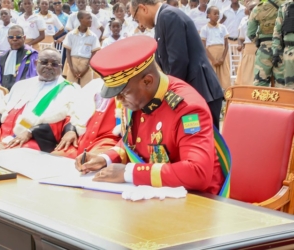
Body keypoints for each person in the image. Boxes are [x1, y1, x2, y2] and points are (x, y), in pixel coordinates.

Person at [75, 36, 224, 194]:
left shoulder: (187, 109)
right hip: (154, 196)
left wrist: (129, 173)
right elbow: (133, 144)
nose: (118, 99)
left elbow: (197, 173)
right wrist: (106, 158)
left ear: (147, 81)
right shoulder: (138, 98)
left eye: (122, 93)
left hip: (197, 200)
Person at [130, 0, 223, 129]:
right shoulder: (162, 19)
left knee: (202, 141)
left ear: (143, 8)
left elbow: (178, 61)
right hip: (191, 91)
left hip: (199, 90)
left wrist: (168, 93)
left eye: (136, 18)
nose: (140, 24)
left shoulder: (168, 16)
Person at [0, 48, 77, 153]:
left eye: (54, 64)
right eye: (44, 62)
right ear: (35, 63)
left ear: (60, 67)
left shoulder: (67, 89)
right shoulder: (22, 85)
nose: (49, 67)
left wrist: (29, 132)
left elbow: (67, 119)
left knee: (11, 156)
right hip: (2, 134)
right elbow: (2, 109)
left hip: (35, 137)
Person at [52, 78, 121, 158]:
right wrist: (70, 130)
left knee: (88, 163)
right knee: (53, 159)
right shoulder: (92, 85)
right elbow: (73, 111)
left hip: (107, 141)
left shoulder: (126, 89)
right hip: (80, 139)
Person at [247, 0, 285, 86]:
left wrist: (258, 43)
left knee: (260, 82)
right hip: (282, 48)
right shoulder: (286, 6)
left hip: (264, 48)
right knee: (282, 82)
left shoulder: (257, 9)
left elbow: (250, 33)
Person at [0, 25, 38, 90]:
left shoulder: (32, 55)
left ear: (24, 37)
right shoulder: (2, 57)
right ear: (7, 38)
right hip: (4, 93)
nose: (14, 39)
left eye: (18, 37)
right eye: (11, 37)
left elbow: (33, 77)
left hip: (23, 93)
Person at [63, 10, 101, 86]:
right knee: (71, 87)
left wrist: (86, 69)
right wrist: (71, 68)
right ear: (80, 19)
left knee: (86, 88)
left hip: (87, 64)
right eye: (88, 18)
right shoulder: (71, 34)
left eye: (91, 18)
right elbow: (68, 52)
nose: (90, 20)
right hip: (73, 63)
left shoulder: (93, 36)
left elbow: (94, 54)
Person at [200, 6, 230, 90]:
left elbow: (226, 44)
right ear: (208, 15)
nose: (217, 15)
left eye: (218, 14)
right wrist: (213, 60)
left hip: (222, 54)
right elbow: (203, 46)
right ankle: (214, 92)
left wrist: (222, 58)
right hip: (211, 54)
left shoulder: (223, 27)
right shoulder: (204, 28)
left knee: (224, 73)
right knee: (212, 73)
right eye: (215, 14)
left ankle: (225, 92)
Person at [272, 0, 294, 88]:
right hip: (288, 51)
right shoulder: (284, 7)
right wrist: (275, 51)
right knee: (290, 87)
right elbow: (277, 31)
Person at [234, 1, 257, 86]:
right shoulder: (244, 20)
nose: (252, 11)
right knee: (246, 75)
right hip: (247, 50)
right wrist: (239, 44)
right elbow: (241, 37)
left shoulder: (262, 19)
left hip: (259, 49)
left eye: (254, 8)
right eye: (250, 9)